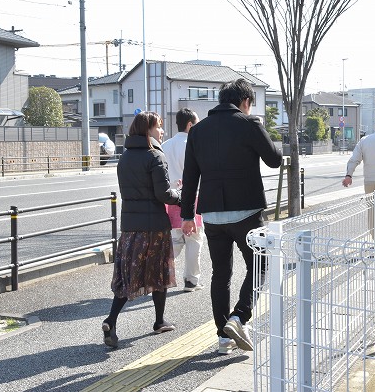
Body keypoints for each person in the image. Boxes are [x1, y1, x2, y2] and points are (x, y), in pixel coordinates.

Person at [180, 78, 282, 355]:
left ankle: (223, 337)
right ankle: (240, 317)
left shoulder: (198, 130)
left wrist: (187, 215)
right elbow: (274, 158)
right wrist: (260, 127)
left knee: (220, 274)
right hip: (246, 213)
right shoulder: (249, 124)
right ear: (245, 101)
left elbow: (190, 177)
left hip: (212, 214)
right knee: (259, 265)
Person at [101, 111, 180, 348]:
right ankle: (158, 321)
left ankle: (112, 320)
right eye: (159, 127)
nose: (162, 132)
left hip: (130, 228)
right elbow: (163, 194)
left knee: (129, 275)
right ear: (148, 130)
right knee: (159, 274)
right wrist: (181, 195)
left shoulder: (124, 158)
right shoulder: (155, 156)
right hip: (154, 226)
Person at [162, 108, 206, 292]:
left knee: (175, 239)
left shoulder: (165, 145)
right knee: (194, 239)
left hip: (171, 197)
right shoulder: (195, 143)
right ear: (190, 124)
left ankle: (161, 271)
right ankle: (191, 280)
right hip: (193, 197)